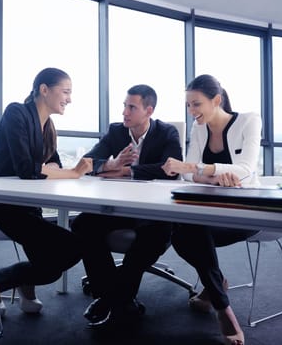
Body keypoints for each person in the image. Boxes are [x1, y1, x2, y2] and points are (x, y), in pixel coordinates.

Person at [0, 67, 93, 319]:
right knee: (72, 248)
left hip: (29, 206)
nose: (69, 99)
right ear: (44, 89)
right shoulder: (16, 113)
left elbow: (53, 167)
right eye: (65, 91)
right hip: (2, 205)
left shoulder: (48, 127)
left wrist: (50, 169)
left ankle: (11, 280)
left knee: (51, 269)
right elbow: (28, 169)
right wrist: (70, 172)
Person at [70, 84, 183, 331]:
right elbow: (89, 161)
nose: (124, 112)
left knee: (153, 235)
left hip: (154, 211)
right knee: (81, 224)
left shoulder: (167, 133)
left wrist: (126, 171)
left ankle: (109, 300)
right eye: (124, 106)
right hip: (120, 208)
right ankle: (114, 295)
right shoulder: (116, 132)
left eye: (131, 107)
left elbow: (172, 170)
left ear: (148, 110)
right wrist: (111, 163)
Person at [161, 74, 261, 345]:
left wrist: (197, 169)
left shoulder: (249, 120)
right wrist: (207, 175)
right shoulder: (199, 128)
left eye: (197, 105)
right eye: (188, 106)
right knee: (181, 231)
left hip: (246, 212)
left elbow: (245, 169)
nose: (192, 112)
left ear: (216, 100)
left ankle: (218, 301)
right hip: (209, 209)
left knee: (190, 231)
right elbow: (187, 177)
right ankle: (221, 298)